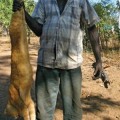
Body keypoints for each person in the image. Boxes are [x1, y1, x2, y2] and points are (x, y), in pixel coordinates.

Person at [13, 0, 103, 120]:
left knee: (73, 113)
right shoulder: (44, 2)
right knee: (43, 113)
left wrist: (99, 60)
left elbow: (92, 28)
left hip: (71, 65)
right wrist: (24, 12)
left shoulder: (81, 2)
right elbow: (38, 30)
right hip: (46, 64)